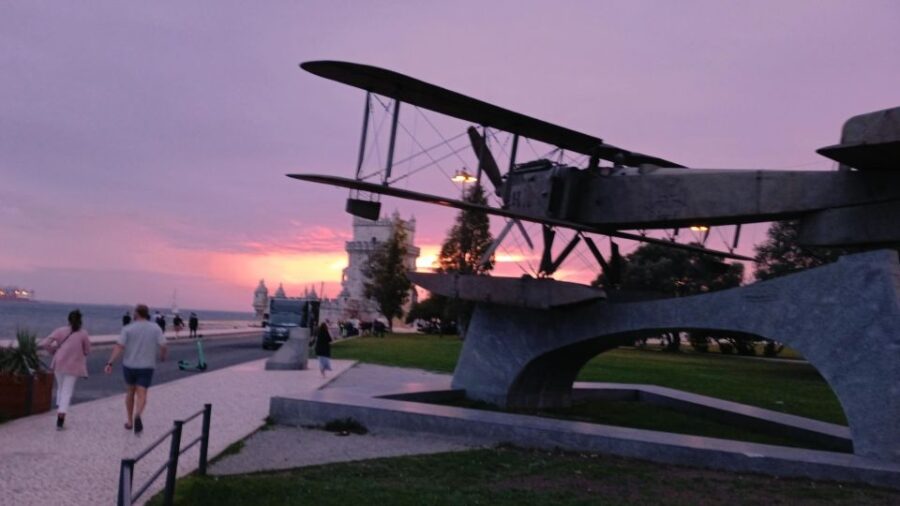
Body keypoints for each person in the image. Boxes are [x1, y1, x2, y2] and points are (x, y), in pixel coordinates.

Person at [104, 304, 167, 433]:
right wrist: (162, 356)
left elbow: (119, 346)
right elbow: (163, 345)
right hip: (147, 366)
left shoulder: (128, 328)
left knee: (130, 392)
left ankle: (129, 421)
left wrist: (110, 362)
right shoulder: (155, 328)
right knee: (142, 393)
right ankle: (138, 414)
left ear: (137, 314)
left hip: (129, 365)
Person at [39, 309, 91, 430]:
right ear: (80, 321)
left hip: (59, 363)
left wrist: (54, 351)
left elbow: (46, 343)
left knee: (61, 388)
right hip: (73, 366)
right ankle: (60, 418)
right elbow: (87, 350)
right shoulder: (83, 333)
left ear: (68, 320)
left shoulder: (60, 330)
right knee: (66, 391)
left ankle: (60, 408)